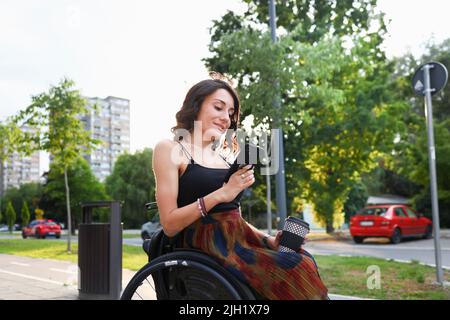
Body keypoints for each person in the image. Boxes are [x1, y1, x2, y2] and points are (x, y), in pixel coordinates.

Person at [152, 74, 328, 300]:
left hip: (237, 242)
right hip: (206, 245)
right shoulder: (170, 149)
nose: (226, 117)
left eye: (231, 113)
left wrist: (269, 240)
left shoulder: (224, 159)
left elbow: (233, 219)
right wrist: (223, 192)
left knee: (303, 258)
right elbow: (169, 224)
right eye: (218, 107)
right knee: (295, 267)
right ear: (196, 106)